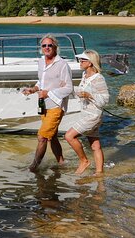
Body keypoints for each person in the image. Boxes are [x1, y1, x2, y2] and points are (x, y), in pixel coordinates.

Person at [22, 34, 73, 172]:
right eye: (44, 45)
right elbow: (42, 82)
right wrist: (33, 89)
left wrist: (48, 93)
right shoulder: (40, 62)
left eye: (50, 45)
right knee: (52, 137)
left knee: (42, 137)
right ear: (41, 48)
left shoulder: (62, 64)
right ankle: (62, 163)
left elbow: (69, 88)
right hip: (44, 105)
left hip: (56, 106)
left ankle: (34, 167)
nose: (47, 48)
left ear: (55, 47)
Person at [63, 49, 110, 175]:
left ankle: (84, 161)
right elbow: (81, 92)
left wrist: (90, 95)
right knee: (95, 145)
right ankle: (99, 173)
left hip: (93, 115)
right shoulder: (85, 75)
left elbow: (105, 99)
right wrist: (68, 88)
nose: (80, 61)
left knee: (69, 136)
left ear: (90, 63)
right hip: (86, 113)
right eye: (80, 59)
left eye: (83, 59)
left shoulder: (98, 78)